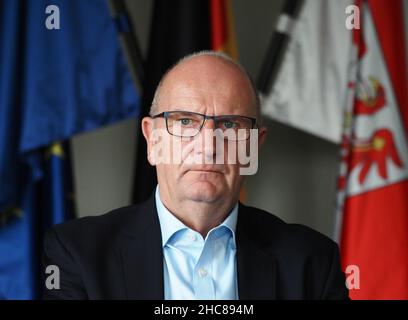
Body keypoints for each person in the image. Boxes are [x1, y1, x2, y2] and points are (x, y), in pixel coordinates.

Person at [42, 51, 349, 300]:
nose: (207, 147)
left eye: (230, 125)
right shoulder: (77, 255)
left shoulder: (313, 263)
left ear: (255, 145)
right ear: (152, 140)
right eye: (185, 121)